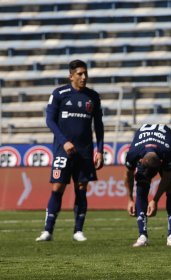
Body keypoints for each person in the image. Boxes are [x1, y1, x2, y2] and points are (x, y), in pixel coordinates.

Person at [36, 59, 104, 242]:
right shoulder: (60, 94)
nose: (84, 77)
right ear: (71, 76)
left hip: (85, 151)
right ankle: (48, 230)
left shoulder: (93, 96)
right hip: (62, 150)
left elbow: (98, 125)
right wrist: (64, 141)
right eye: (80, 74)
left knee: (81, 188)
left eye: (85, 73)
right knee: (57, 187)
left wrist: (100, 150)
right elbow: (50, 120)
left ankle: (78, 230)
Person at [124, 124, 171, 247]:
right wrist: (129, 199)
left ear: (161, 164)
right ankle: (142, 235)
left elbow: (166, 178)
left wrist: (155, 200)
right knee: (141, 185)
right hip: (144, 142)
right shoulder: (133, 153)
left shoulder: (169, 153)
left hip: (168, 142)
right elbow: (128, 176)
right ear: (140, 161)